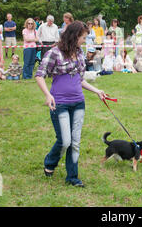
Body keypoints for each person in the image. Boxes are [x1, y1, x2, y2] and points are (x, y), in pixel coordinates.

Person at [35, 21, 106, 187]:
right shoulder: (54, 53)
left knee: (75, 142)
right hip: (59, 104)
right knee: (64, 141)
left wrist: (97, 91)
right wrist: (47, 95)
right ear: (74, 36)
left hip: (78, 102)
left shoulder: (80, 53)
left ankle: (72, 177)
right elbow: (40, 75)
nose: (84, 41)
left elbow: (80, 79)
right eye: (83, 37)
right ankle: (50, 162)